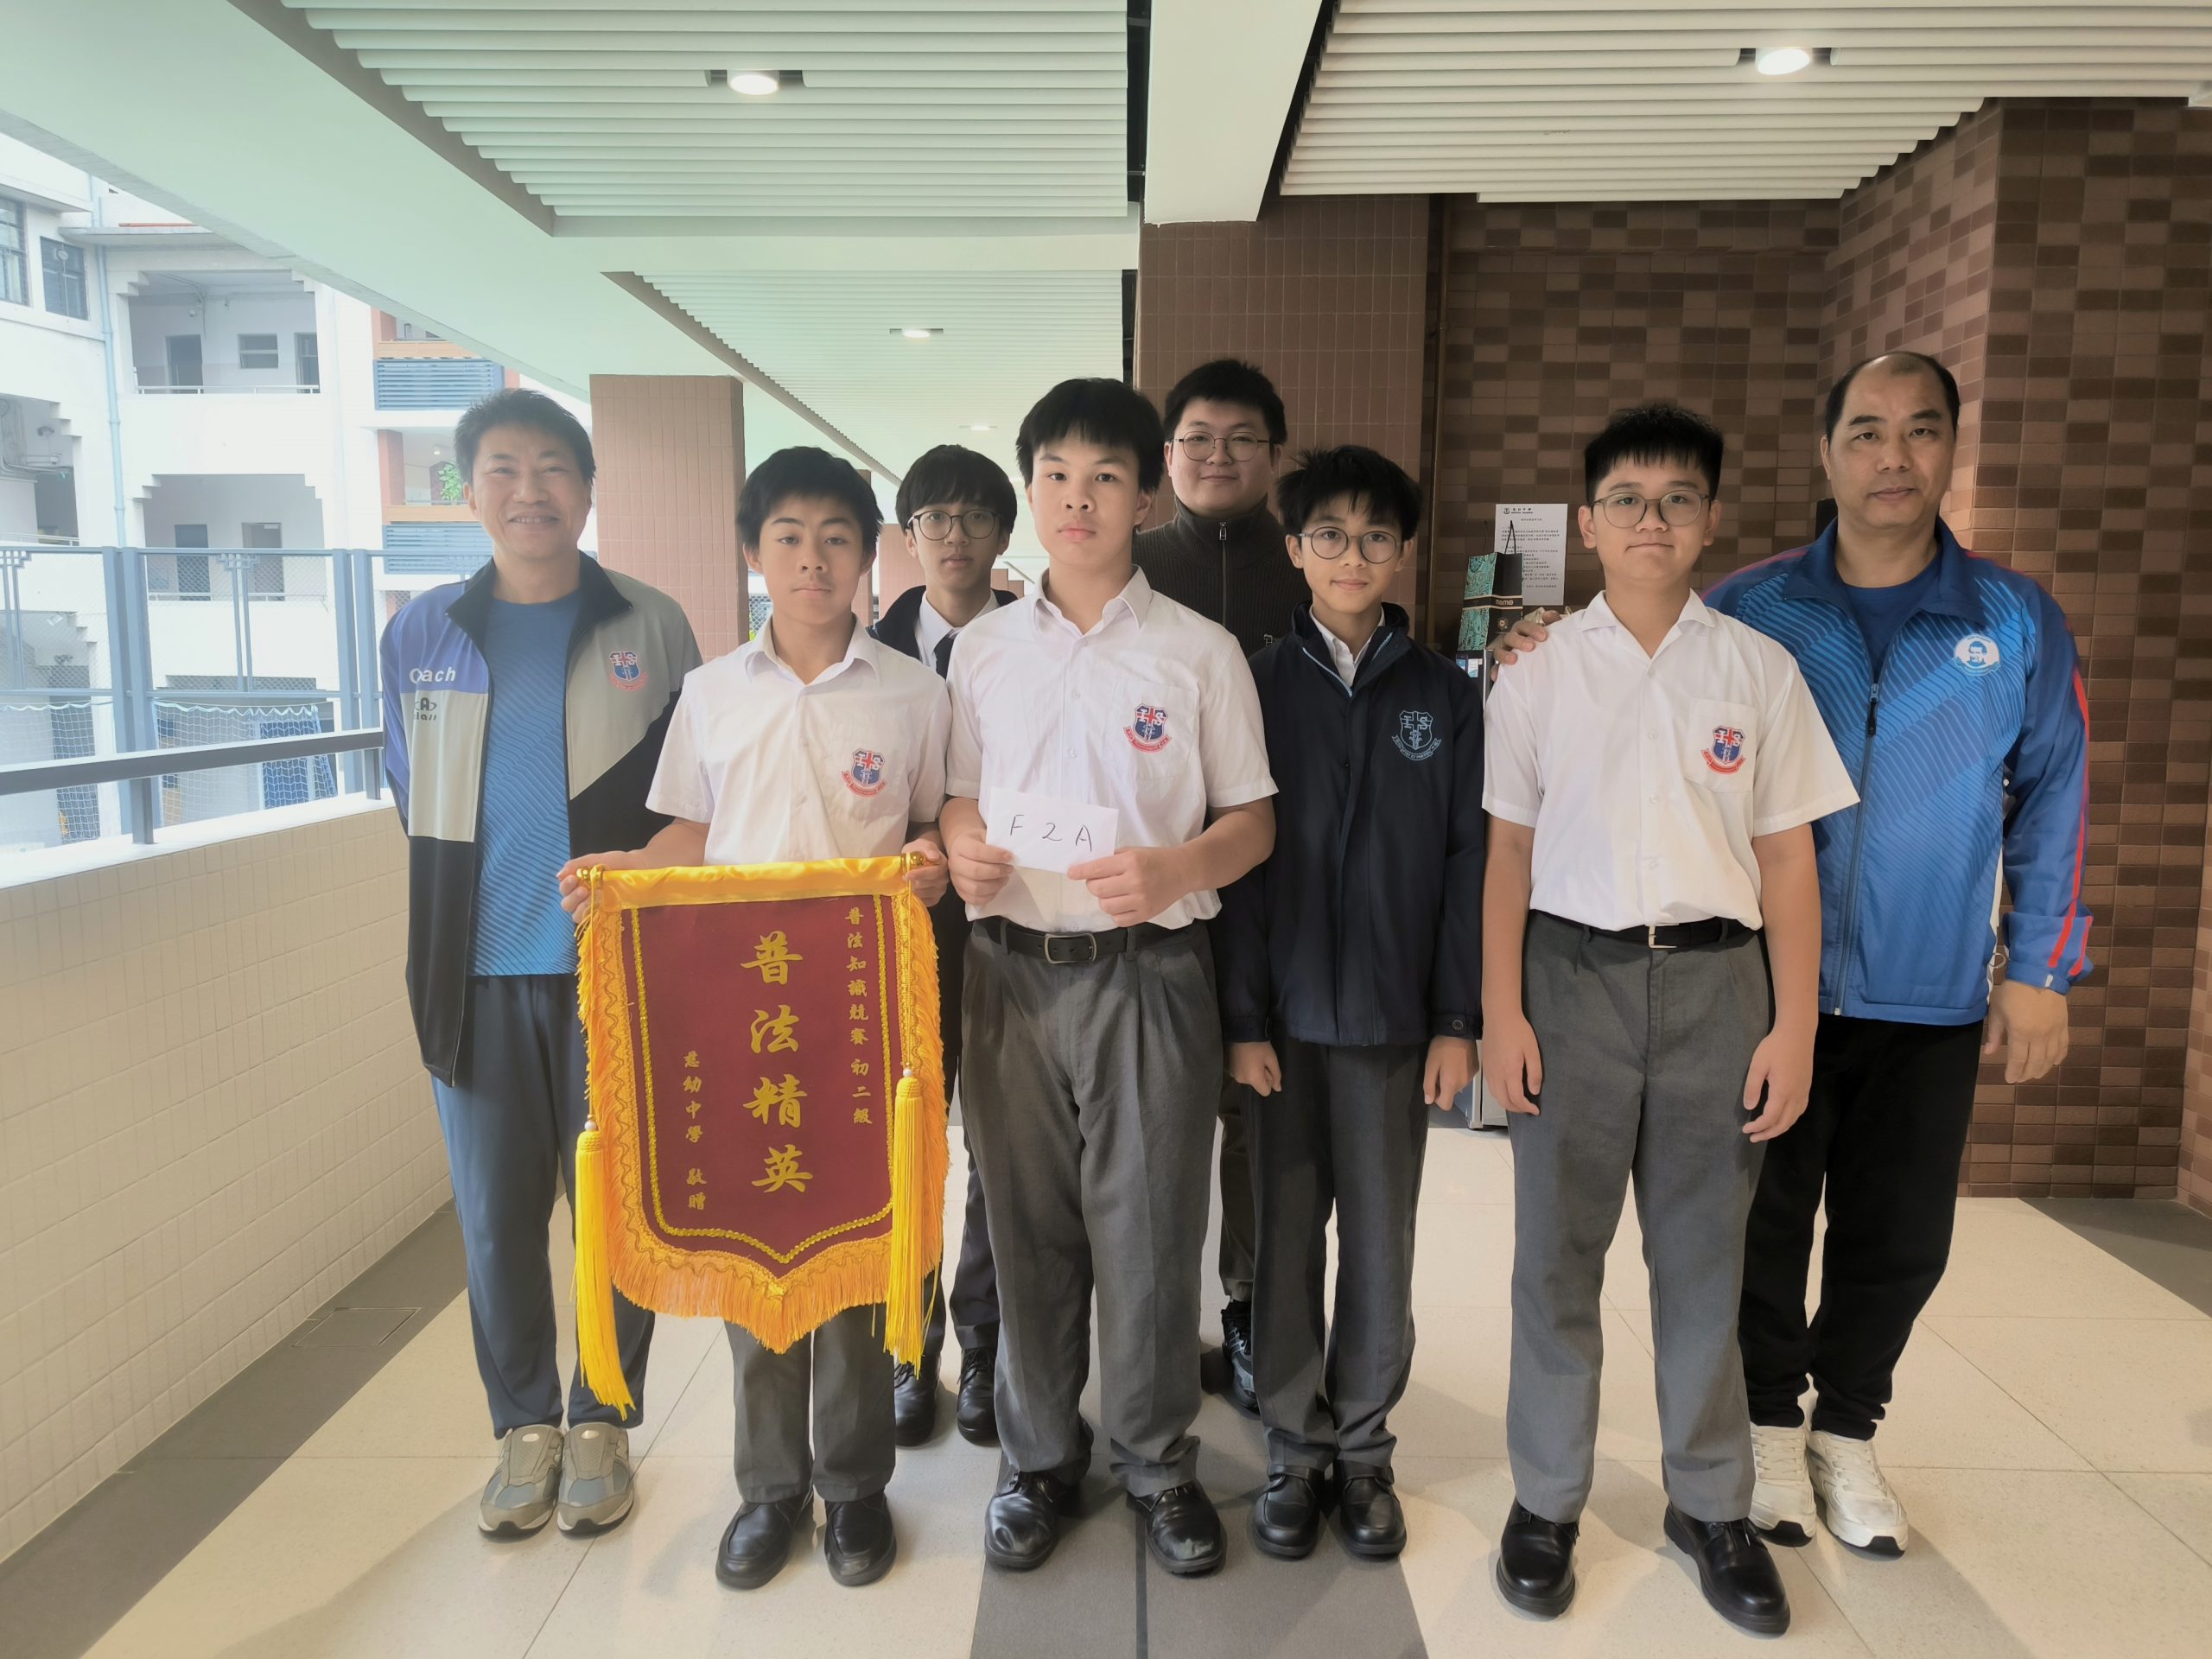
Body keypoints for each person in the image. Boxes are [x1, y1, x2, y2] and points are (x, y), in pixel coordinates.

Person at [1497, 353, 2091, 1558]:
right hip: (1707, 984)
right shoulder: (1742, 613)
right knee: (1709, 1242)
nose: (1892, 456)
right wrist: (1533, 633)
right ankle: (1724, 1442)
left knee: (1863, 1240)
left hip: (1886, 983)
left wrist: (2038, 967)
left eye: (1921, 431)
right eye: (1866, 431)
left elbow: (2048, 795)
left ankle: (1820, 1445)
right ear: (1827, 453)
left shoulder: (1999, 621)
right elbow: (1531, 815)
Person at [1483, 404, 1856, 1637]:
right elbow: (1507, 852)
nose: (1652, 520)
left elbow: (1789, 860)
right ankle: (1546, 1499)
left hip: (1718, 989)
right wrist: (1501, 1012)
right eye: (1627, 500)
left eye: (1677, 499)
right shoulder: (1537, 673)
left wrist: (1793, 1028)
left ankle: (1709, 1505)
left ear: (1708, 522)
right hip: (1569, 981)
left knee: (1705, 1262)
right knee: (1556, 1258)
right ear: (1588, 524)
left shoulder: (1756, 670)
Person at [558, 447, 951, 1592]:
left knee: (858, 1245)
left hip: (863, 1021)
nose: (812, 559)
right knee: (758, 1243)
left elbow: (934, 824)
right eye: (788, 537)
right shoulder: (713, 691)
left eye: (836, 537)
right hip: (740, 1018)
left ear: (867, 553)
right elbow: (693, 834)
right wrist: (628, 873)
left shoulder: (914, 694)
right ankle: (769, 1490)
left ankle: (856, 1485)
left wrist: (930, 862)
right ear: (754, 552)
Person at [941, 378, 1277, 1577]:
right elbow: (957, 795)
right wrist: (962, 843)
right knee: (1026, 1227)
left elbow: (1253, 821)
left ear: (1145, 497)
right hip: (1009, 975)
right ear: (1030, 490)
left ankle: (1156, 1461)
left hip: (1152, 974)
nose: (1076, 500)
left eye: (1104, 478)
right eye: (1055, 476)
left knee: (1150, 1229)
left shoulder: (1198, 652)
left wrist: (1180, 864)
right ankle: (1038, 1459)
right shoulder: (981, 651)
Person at [379, 387, 700, 1537]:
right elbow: (410, 799)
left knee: (615, 1211)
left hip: (618, 977)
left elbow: (696, 799)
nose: (531, 491)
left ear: (588, 489)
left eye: (554, 467)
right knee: (494, 1221)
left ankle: (602, 1416)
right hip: (469, 978)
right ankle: (524, 1425)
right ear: (469, 492)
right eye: (504, 470)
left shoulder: (649, 622)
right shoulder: (423, 633)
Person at [1215, 446, 1481, 1563]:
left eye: (1375, 536)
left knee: (1380, 1246)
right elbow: (1235, 870)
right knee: (1282, 1245)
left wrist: (1457, 1020)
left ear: (1402, 553)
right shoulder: (1252, 685)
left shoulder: (1445, 697)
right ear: (1294, 549)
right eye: (1329, 534)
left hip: (1391, 1027)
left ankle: (1364, 1450)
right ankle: (1295, 1446)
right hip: (1279, 1029)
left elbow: (1468, 864)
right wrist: (1241, 1022)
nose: (1352, 554)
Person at [1134, 357, 1307, 1412]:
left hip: (1279, 884)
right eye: (1198, 437)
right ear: (1166, 456)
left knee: (1258, 1112)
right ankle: (1148, 1325)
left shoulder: (1310, 563)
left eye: (1243, 439)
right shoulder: (1134, 567)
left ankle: (1246, 1309)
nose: (1218, 455)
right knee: (1154, 1117)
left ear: (1273, 456)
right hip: (1151, 891)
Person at [868, 443, 1020, 1447]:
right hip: (891, 944)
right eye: (934, 518)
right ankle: (906, 1344)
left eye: (973, 517)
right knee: (906, 1146)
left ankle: (986, 1344)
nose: (953, 536)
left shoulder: (1040, 647)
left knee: (1002, 1151)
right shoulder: (866, 657)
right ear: (908, 534)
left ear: (1003, 533)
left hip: (1010, 932)